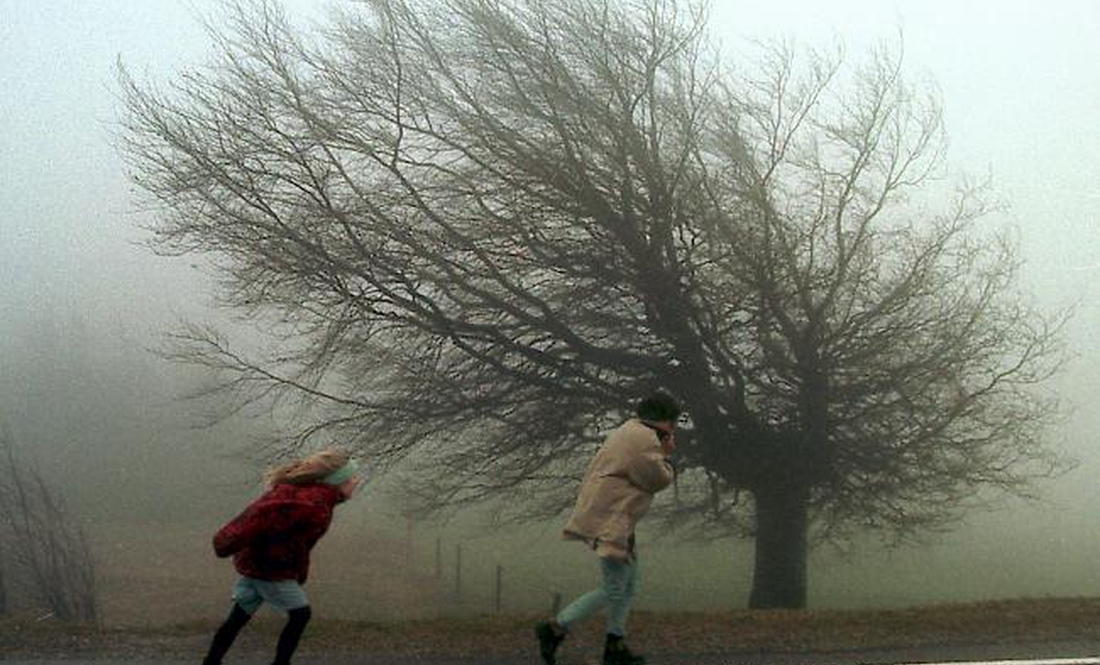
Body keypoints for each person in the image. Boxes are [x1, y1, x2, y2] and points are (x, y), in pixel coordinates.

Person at [536, 392, 680, 665]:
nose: (674, 430)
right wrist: (668, 456)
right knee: (614, 588)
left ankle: (615, 645)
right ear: (662, 421)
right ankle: (556, 628)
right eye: (672, 424)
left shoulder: (631, 431)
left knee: (627, 585)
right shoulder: (643, 440)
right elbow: (656, 478)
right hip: (610, 521)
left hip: (615, 518)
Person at [201, 448, 362, 665]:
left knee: (238, 618)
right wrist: (226, 540)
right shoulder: (312, 503)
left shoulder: (313, 497)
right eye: (353, 478)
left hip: (256, 566)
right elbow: (262, 514)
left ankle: (211, 661)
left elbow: (290, 534)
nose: (357, 482)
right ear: (338, 481)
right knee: (300, 614)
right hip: (272, 571)